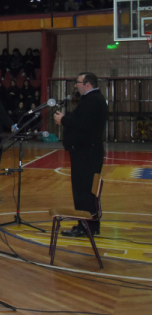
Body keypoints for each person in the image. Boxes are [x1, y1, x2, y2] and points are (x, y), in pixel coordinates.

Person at [54, 72, 107, 237]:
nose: (76, 85)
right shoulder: (93, 100)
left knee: (83, 190)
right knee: (87, 190)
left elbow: (83, 125)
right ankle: (90, 224)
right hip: (88, 151)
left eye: (78, 82)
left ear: (88, 84)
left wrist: (63, 119)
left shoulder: (92, 100)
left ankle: (86, 226)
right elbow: (83, 120)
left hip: (86, 153)